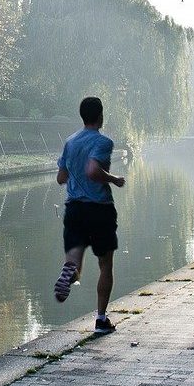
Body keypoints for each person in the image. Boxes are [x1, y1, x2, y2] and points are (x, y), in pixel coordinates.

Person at [54, 96, 125, 335]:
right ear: (100, 116)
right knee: (105, 265)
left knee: (74, 265)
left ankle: (69, 272)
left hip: (74, 209)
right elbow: (93, 170)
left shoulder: (70, 142)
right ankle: (101, 320)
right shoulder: (103, 142)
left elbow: (61, 177)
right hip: (99, 209)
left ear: (82, 116)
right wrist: (114, 179)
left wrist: (76, 174)